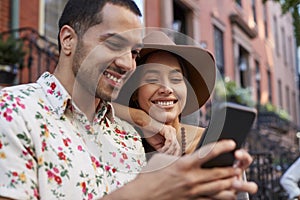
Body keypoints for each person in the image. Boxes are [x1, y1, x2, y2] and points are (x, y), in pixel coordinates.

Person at [0, 0, 257, 199]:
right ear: (68, 40)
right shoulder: (12, 111)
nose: (126, 63)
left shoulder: (128, 137)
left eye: (134, 52)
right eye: (113, 43)